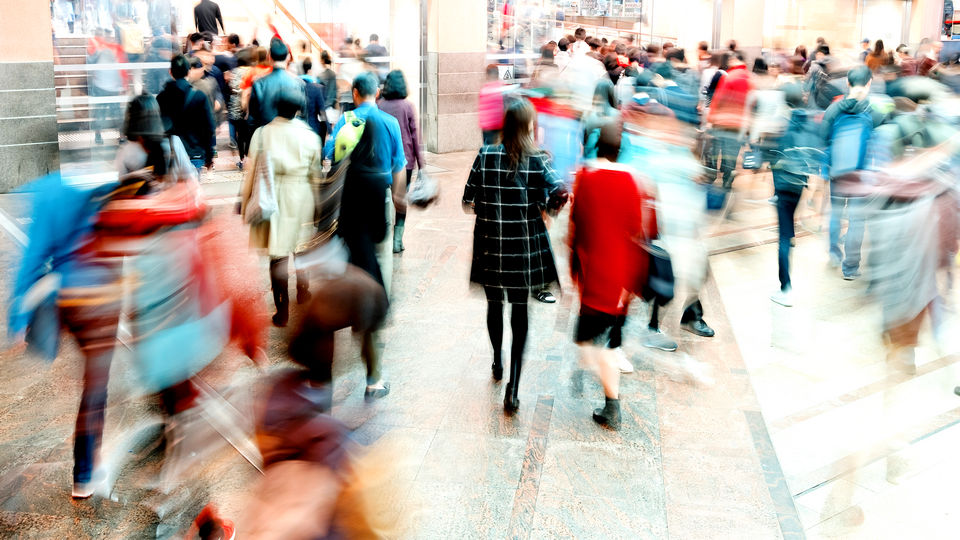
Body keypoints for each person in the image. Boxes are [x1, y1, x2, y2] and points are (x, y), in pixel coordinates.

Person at [462, 98, 568, 412]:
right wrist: (547, 208)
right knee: (520, 313)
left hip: (490, 246)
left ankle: (497, 361)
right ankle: (514, 388)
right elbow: (558, 192)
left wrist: (485, 208)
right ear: (528, 126)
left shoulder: (485, 154)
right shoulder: (538, 159)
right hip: (522, 249)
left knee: (494, 305)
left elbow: (467, 200)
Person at [570, 119, 655, 429]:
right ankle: (610, 400)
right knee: (597, 339)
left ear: (597, 146)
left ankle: (612, 404)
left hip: (596, 274)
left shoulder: (587, 177)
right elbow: (637, 229)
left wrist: (575, 268)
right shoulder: (633, 180)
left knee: (590, 342)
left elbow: (578, 224)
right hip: (622, 276)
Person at [240, 88, 321, 328]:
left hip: (272, 197)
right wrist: (319, 206)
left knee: (277, 254)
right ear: (298, 109)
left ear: (275, 107)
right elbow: (315, 174)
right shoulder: (309, 136)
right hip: (302, 195)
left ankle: (281, 309)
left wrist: (246, 204)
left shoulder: (262, 134)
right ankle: (303, 291)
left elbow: (251, 173)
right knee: (301, 247)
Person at [324, 72, 408, 294]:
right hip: (381, 193)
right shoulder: (390, 123)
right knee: (382, 253)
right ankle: (380, 299)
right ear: (377, 93)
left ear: (355, 93)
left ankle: (356, 301)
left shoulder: (346, 120)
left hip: (350, 193)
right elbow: (399, 165)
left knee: (354, 250)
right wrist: (398, 196)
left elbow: (329, 153)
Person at [820, 66, 886, 280]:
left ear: (847, 83)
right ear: (869, 83)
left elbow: (823, 137)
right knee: (857, 220)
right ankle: (850, 268)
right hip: (860, 175)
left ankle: (834, 253)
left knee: (836, 213)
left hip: (837, 171)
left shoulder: (834, 108)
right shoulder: (874, 111)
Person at [770, 85, 822, 306]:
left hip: (783, 185)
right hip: (800, 183)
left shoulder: (782, 124)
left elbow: (773, 156)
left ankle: (786, 288)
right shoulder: (809, 123)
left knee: (783, 236)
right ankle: (791, 236)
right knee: (788, 228)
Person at [378, 69, 424, 254]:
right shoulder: (408, 106)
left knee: (384, 198)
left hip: (383, 159)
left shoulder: (379, 105)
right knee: (400, 199)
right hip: (405, 161)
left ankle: (385, 236)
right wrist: (421, 163)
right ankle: (397, 240)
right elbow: (415, 137)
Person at [157, 54, 216, 171]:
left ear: (170, 72)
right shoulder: (199, 96)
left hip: (169, 154)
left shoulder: (161, 97)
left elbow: (157, 126)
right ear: (188, 72)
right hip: (194, 153)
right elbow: (208, 128)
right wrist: (209, 156)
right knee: (192, 182)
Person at [707, 50, 752, 189]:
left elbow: (718, 99)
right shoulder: (750, 78)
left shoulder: (730, 77)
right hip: (740, 123)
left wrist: (710, 118)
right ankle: (727, 180)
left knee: (716, 150)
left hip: (724, 121)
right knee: (731, 154)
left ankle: (712, 176)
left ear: (736, 60)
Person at [248, 38, 307, 132]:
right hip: (290, 134)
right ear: (288, 57)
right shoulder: (298, 83)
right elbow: (303, 116)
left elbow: (252, 117)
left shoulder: (259, 83)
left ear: (269, 57)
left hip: (266, 134)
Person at [228, 48, 253, 170]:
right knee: (249, 135)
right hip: (249, 106)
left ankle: (242, 158)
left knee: (240, 135)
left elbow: (232, 86)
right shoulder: (252, 71)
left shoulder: (235, 71)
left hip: (236, 107)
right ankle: (248, 158)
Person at [300, 57, 328, 141]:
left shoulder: (296, 85)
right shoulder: (317, 88)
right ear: (310, 70)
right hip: (313, 127)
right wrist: (329, 129)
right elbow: (322, 112)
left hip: (299, 127)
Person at [478, 65, 507, 145]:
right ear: (498, 74)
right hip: (500, 124)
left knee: (488, 147)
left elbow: (482, 110)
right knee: (502, 147)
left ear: (487, 75)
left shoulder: (484, 90)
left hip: (487, 126)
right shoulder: (502, 87)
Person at [318, 51, 338, 127]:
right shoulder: (333, 74)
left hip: (323, 107)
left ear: (322, 60)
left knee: (322, 128)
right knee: (330, 128)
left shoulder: (320, 75)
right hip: (331, 106)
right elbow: (335, 91)